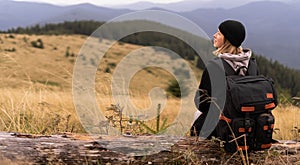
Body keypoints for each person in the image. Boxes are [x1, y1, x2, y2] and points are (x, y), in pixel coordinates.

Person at [190, 19, 256, 138]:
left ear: (227, 40)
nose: (214, 35)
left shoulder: (215, 66)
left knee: (197, 117)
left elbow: (201, 103)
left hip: (223, 127)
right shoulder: (251, 64)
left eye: (219, 33)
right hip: (250, 126)